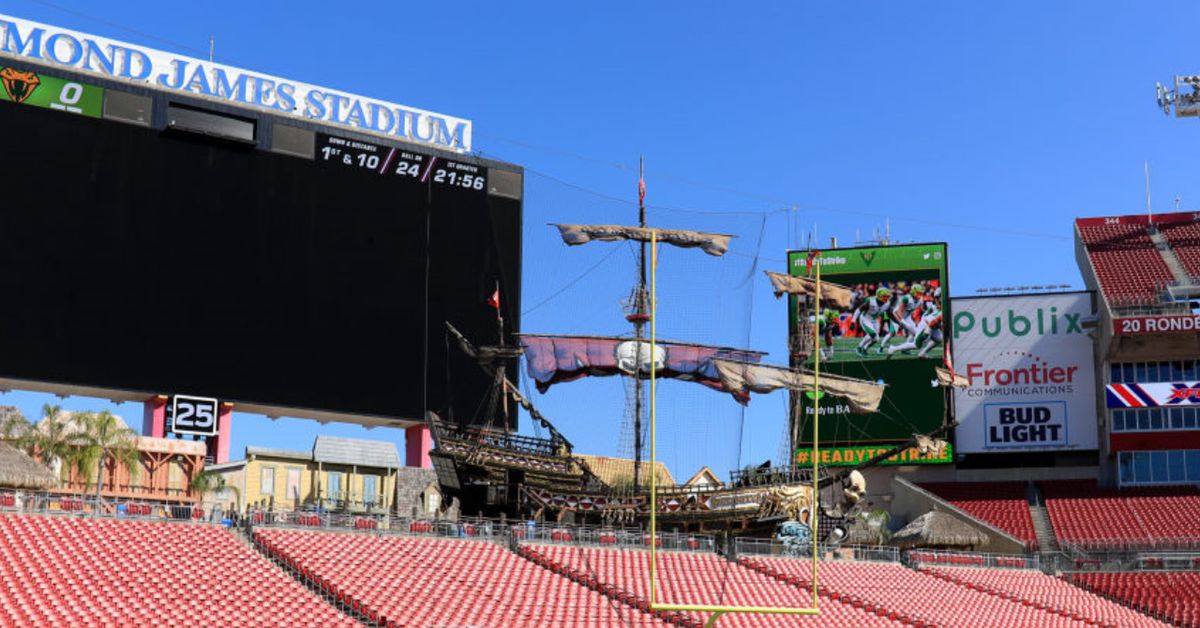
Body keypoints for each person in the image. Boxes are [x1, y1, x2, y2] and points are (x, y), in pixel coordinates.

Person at [853, 288, 892, 356]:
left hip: (874, 320)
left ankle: (865, 349)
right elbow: (859, 309)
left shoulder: (887, 304)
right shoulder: (871, 301)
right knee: (872, 334)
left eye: (887, 296)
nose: (886, 298)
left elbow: (889, 314)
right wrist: (853, 321)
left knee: (876, 339)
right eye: (884, 296)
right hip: (865, 318)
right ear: (879, 296)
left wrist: (898, 322)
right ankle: (859, 348)